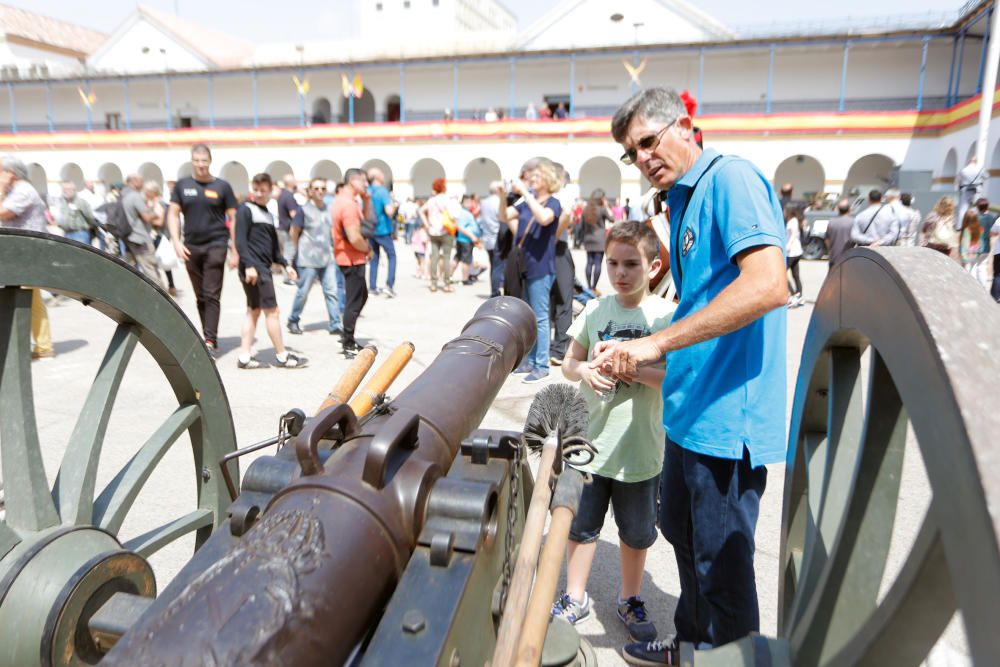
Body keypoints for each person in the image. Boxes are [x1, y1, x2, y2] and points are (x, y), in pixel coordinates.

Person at [599, 88, 788, 664]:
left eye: (649, 141)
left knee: (722, 567)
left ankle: (725, 655)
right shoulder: (680, 200)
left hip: (727, 417)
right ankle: (691, 646)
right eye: (633, 153)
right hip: (688, 406)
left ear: (684, 126)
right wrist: (642, 351)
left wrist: (657, 341)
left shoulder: (730, 180)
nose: (643, 158)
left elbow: (767, 285)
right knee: (683, 539)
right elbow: (699, 302)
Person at [551, 221, 674, 643]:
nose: (620, 273)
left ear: (654, 266)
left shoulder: (664, 316)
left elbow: (674, 377)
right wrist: (584, 369)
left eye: (631, 264)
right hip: (589, 443)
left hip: (639, 447)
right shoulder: (596, 310)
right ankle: (575, 594)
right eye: (613, 263)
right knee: (581, 527)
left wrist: (636, 371)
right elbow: (569, 363)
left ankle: (630, 597)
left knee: (636, 532)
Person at [498, 157, 563, 384]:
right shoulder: (527, 203)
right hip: (524, 265)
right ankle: (529, 360)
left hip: (542, 266)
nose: (532, 179)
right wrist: (500, 196)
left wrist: (525, 193)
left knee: (541, 317)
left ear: (548, 179)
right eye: (531, 177)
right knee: (528, 316)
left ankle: (542, 364)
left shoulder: (553, 203)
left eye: (537, 176)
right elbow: (504, 216)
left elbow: (544, 219)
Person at [169, 144, 238, 355]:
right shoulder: (182, 185)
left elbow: (233, 218)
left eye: (204, 160)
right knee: (200, 295)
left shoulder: (222, 187)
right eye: (197, 160)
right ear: (192, 161)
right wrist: (176, 241)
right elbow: (173, 214)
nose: (200, 165)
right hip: (191, 247)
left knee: (211, 294)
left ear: (210, 161)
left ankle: (210, 340)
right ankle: (207, 334)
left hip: (216, 245)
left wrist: (235, 249)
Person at [234, 172, 307, 369]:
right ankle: (282, 356)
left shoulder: (266, 214)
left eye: (263, 190)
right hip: (254, 269)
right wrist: (249, 265)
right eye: (256, 189)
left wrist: (286, 265)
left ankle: (244, 356)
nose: (259, 193)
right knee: (272, 312)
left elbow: (274, 248)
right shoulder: (245, 210)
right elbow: (240, 241)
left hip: (261, 267)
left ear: (270, 190)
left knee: (254, 311)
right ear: (252, 189)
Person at [0, 155, 53, 359]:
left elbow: (3, 213)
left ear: (10, 173)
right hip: (21, 254)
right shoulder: (18, 190)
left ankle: (39, 345)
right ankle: (42, 344)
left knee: (27, 300)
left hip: (27, 254)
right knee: (32, 300)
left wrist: (2, 190)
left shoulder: (23, 190)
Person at [286, 178, 342, 336]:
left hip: (327, 258)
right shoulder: (303, 210)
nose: (320, 191)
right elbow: (294, 232)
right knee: (303, 292)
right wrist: (293, 254)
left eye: (323, 188)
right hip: (308, 258)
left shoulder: (328, 210)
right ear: (310, 191)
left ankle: (335, 324)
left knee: (331, 291)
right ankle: (293, 320)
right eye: (316, 188)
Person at [332, 168, 373, 358]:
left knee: (359, 296)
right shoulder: (348, 205)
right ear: (353, 180)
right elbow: (354, 236)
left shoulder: (344, 201)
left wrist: (366, 201)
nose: (366, 185)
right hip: (352, 257)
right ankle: (348, 341)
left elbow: (366, 222)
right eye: (363, 181)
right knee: (354, 300)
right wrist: (367, 249)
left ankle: (346, 334)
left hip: (348, 256)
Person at [121, 173, 165, 289]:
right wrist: (156, 213)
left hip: (129, 237)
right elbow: (147, 217)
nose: (143, 184)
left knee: (129, 268)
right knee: (151, 271)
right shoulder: (135, 196)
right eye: (141, 180)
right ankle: (163, 299)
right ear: (135, 181)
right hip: (140, 239)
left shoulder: (125, 195)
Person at [418, 178, 461, 293]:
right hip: (445, 231)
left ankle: (433, 284)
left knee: (434, 258)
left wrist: (427, 224)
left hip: (433, 232)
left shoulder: (431, 201)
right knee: (446, 258)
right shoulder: (447, 200)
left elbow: (421, 211)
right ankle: (447, 284)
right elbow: (453, 216)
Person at [367, 167, 398, 298]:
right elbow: (389, 211)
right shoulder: (382, 191)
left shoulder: (367, 191)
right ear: (377, 177)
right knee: (392, 256)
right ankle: (389, 285)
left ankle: (372, 287)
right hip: (383, 229)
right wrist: (395, 204)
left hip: (369, 230)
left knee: (374, 259)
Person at [143, 181, 178, 297]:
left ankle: (160, 287)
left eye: (147, 192)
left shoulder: (158, 204)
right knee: (163, 262)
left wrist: (147, 220)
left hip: (157, 236)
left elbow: (159, 221)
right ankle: (171, 286)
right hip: (159, 236)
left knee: (156, 262)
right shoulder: (158, 202)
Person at [582, 189, 614, 290]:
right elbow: (612, 219)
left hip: (588, 238)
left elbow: (582, 226)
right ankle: (593, 287)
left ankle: (588, 286)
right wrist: (607, 206)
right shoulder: (602, 209)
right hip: (600, 239)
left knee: (589, 262)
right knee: (597, 263)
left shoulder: (586, 209)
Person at [53, 181, 97, 247]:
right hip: (67, 234)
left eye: (68, 189)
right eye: (64, 189)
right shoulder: (63, 204)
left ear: (74, 190)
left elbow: (90, 217)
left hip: (80, 234)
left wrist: (88, 227)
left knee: (81, 255)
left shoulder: (81, 203)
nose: (65, 191)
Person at [479, 182, 504, 297]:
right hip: (497, 237)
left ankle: (494, 290)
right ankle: (495, 292)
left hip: (487, 238)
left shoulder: (484, 202)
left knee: (493, 266)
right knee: (498, 267)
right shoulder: (498, 202)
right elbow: (502, 219)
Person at [277, 174, 302, 284]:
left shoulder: (283, 194)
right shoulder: (289, 196)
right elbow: (293, 214)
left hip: (282, 228)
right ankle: (288, 277)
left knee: (287, 253)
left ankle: (288, 276)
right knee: (289, 253)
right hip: (288, 230)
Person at [452, 195, 480, 285]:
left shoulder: (464, 212)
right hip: (466, 240)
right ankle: (465, 279)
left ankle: (449, 276)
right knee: (466, 260)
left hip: (462, 239)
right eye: (467, 202)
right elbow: (460, 227)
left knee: (458, 257)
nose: (469, 204)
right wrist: (472, 236)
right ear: (462, 203)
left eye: (469, 202)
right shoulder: (464, 213)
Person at [959, 208, 988, 287]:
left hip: (968, 253)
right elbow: (982, 241)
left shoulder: (966, 230)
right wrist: (980, 250)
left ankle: (968, 286)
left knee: (967, 271)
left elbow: (964, 244)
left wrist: (963, 255)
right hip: (977, 253)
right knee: (974, 270)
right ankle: (976, 286)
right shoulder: (980, 229)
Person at [824, 198, 855, 268]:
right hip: (848, 257)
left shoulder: (831, 222)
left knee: (833, 277)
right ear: (849, 210)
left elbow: (826, 239)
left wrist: (830, 250)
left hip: (834, 256)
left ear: (838, 210)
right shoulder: (853, 222)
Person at [957, 155, 986, 225]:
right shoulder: (981, 169)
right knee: (976, 208)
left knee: (963, 209)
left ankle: (960, 225)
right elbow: (986, 176)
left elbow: (959, 180)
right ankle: (975, 224)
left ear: (969, 162)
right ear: (976, 162)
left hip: (965, 189)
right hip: (977, 190)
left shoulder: (963, 170)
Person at [785, 204, 804, 307]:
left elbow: (793, 234)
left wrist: (788, 245)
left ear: (789, 211)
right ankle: (799, 296)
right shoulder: (796, 220)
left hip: (791, 252)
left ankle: (792, 296)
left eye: (785, 210)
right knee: (796, 274)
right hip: (797, 251)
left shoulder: (792, 221)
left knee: (782, 274)